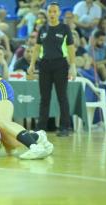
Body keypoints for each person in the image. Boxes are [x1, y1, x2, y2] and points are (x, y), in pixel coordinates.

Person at [27, 2, 77, 137]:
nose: (52, 14)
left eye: (55, 11)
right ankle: (40, 128)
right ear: (47, 13)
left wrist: (73, 66)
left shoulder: (65, 28)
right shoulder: (42, 29)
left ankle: (65, 127)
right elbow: (37, 48)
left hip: (60, 65)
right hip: (44, 66)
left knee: (62, 97)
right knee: (44, 98)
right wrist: (32, 64)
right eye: (50, 11)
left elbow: (71, 48)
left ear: (59, 13)